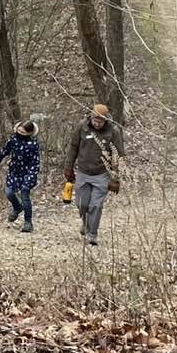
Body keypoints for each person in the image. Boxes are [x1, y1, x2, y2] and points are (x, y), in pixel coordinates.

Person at [64, 104, 124, 246]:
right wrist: (68, 167)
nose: (97, 124)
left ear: (105, 120)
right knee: (82, 204)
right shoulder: (82, 126)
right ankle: (86, 224)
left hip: (102, 173)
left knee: (96, 205)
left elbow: (118, 155)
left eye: (100, 121)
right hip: (83, 171)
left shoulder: (113, 131)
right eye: (95, 121)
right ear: (91, 117)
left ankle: (92, 234)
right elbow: (73, 147)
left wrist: (115, 178)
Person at [0, 121, 41, 233]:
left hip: (28, 173)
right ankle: (17, 207)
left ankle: (28, 222)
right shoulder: (13, 140)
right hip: (14, 171)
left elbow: (35, 162)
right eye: (18, 130)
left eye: (22, 132)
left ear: (29, 133)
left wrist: (31, 176)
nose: (19, 133)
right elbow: (5, 150)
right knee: (9, 193)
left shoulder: (33, 145)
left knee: (25, 195)